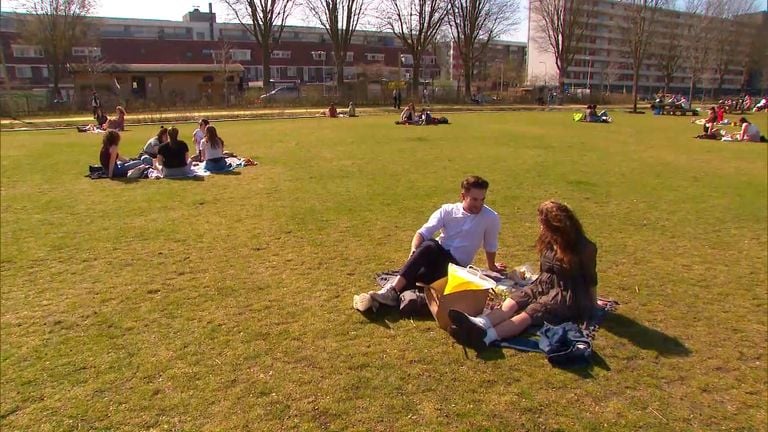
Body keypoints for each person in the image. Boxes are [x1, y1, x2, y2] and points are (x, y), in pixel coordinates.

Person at [448, 200, 597, 352]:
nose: (540, 227)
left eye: (542, 223)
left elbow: (591, 279)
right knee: (516, 299)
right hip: (543, 283)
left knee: (533, 310)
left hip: (566, 293)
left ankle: (487, 337)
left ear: (555, 226)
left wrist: (592, 304)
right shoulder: (548, 240)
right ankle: (480, 323)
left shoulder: (584, 248)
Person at [360, 176, 506, 310]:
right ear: (463, 196)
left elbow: (490, 244)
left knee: (429, 247)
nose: (479, 204)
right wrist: (414, 252)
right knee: (415, 268)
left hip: (455, 268)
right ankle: (378, 302)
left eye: (482, 200)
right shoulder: (447, 211)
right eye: (474, 199)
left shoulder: (490, 217)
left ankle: (391, 292)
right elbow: (422, 233)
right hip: (434, 259)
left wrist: (492, 265)